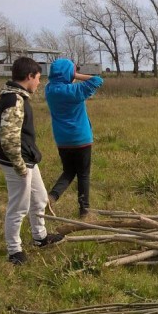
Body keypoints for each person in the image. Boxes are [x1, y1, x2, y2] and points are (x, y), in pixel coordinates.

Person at [0, 57, 64, 265]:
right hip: (18, 163)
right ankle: (14, 251)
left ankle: (40, 237)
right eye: (38, 78)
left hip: (28, 160)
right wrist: (20, 168)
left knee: (40, 198)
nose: (39, 83)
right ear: (29, 76)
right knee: (19, 206)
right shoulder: (14, 100)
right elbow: (7, 139)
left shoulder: (16, 96)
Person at [44, 58, 104, 218]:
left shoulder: (49, 90)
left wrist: (68, 74)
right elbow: (98, 80)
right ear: (69, 73)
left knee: (69, 171)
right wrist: (76, 75)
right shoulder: (74, 91)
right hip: (81, 138)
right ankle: (84, 210)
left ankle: (52, 196)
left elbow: (56, 82)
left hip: (62, 140)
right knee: (83, 173)